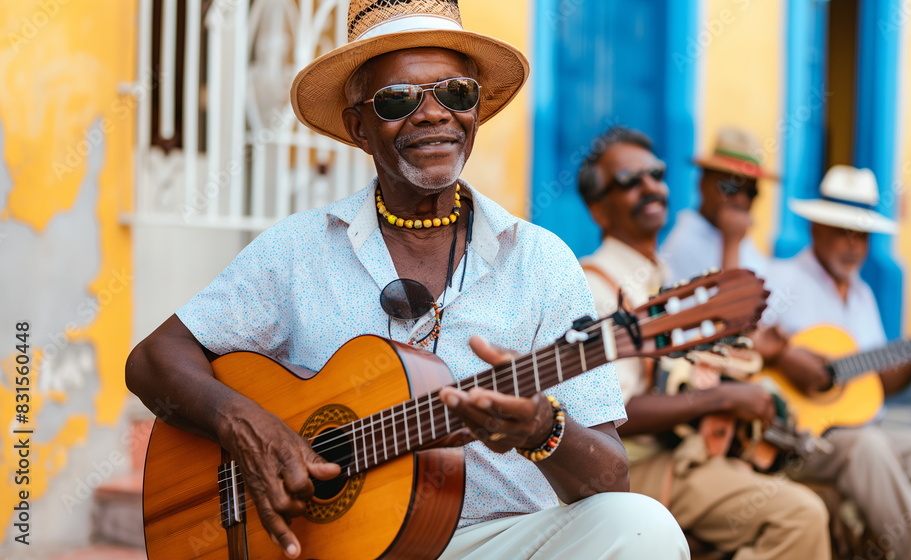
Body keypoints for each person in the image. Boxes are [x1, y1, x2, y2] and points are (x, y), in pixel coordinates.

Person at [125, 2, 688, 559]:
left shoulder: (540, 262)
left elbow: (611, 475)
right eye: (398, 100)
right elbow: (152, 359)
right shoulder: (298, 250)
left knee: (642, 527)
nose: (433, 114)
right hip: (333, 547)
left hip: (497, 542)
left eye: (456, 93)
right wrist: (244, 424)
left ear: (474, 112)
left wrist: (542, 430)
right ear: (358, 126)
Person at [577, 126, 831, 560]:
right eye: (629, 181)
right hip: (637, 466)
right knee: (800, 517)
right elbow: (612, 419)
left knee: (824, 493)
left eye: (655, 173)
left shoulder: (657, 280)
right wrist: (724, 398)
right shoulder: (596, 286)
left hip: (682, 450)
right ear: (599, 212)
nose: (650, 186)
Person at [762, 165, 911, 560]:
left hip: (857, 433)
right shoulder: (777, 279)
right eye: (842, 231)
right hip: (793, 439)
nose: (853, 245)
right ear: (816, 228)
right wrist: (785, 357)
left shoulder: (863, 296)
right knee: (866, 446)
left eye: (862, 235)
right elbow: (744, 347)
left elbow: (873, 383)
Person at [657, 127, 776, 280]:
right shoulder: (684, 242)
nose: (741, 200)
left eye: (750, 193)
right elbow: (732, 302)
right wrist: (731, 244)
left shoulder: (740, 236)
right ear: (703, 184)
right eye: (730, 188)